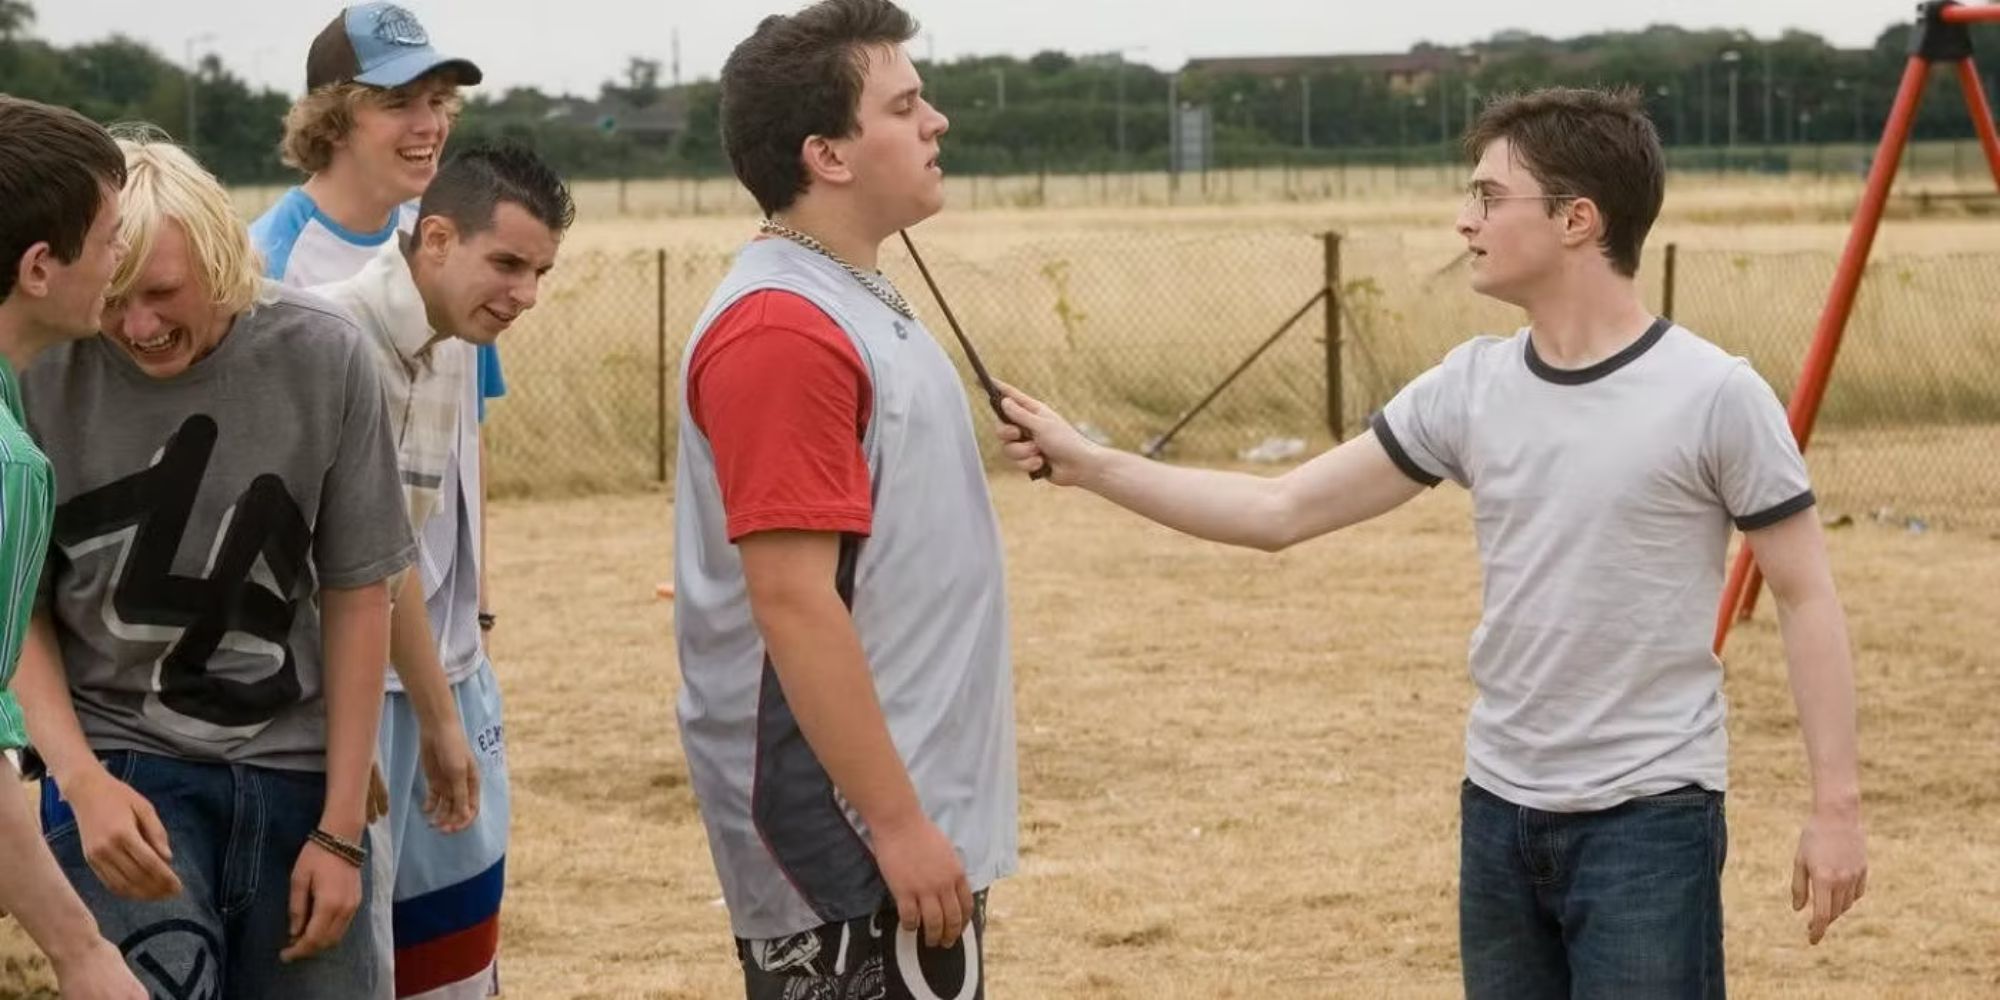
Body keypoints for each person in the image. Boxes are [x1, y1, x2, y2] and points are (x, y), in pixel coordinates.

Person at [996, 87, 1867, 998]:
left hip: (1649, 821)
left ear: (1578, 220)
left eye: (1490, 198)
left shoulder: (1715, 395)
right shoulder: (1469, 387)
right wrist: (1091, 465)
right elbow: (1278, 511)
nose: (1463, 222)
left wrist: (1836, 810)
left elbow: (1806, 596)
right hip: (1496, 812)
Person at [12, 131, 413, 999]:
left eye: (161, 293)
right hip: (121, 765)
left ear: (224, 254)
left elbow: (357, 592)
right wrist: (78, 784)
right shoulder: (39, 372)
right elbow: (20, 613)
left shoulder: (325, 356)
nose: (138, 327)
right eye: (115, 298)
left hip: (295, 768)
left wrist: (342, 829)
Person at [673, 2, 1015, 996]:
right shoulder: (782, 329)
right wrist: (897, 825)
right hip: (847, 825)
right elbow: (791, 597)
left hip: (900, 802)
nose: (935, 120)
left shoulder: (856, 295)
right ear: (825, 153)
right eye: (904, 104)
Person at [247, 6, 501, 991]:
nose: (428, 122)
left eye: (439, 100)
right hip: (340, 676)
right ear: (329, 117)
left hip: (453, 665)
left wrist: (475, 621)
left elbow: (471, 456)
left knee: (455, 955)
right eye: (398, 100)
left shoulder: (436, 241)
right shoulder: (267, 267)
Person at [313, 142, 571, 999]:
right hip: (354, 694)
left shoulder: (454, 333)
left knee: (453, 955)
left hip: (439, 672)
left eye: (539, 271)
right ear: (433, 239)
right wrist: (432, 717)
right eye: (505, 263)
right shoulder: (334, 341)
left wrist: (472, 651)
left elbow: (414, 542)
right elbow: (366, 567)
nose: (525, 294)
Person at [0, 94, 148, 1000]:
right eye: (108, 239)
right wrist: (83, 952)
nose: (120, 263)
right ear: (40, 266)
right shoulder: (8, 465)